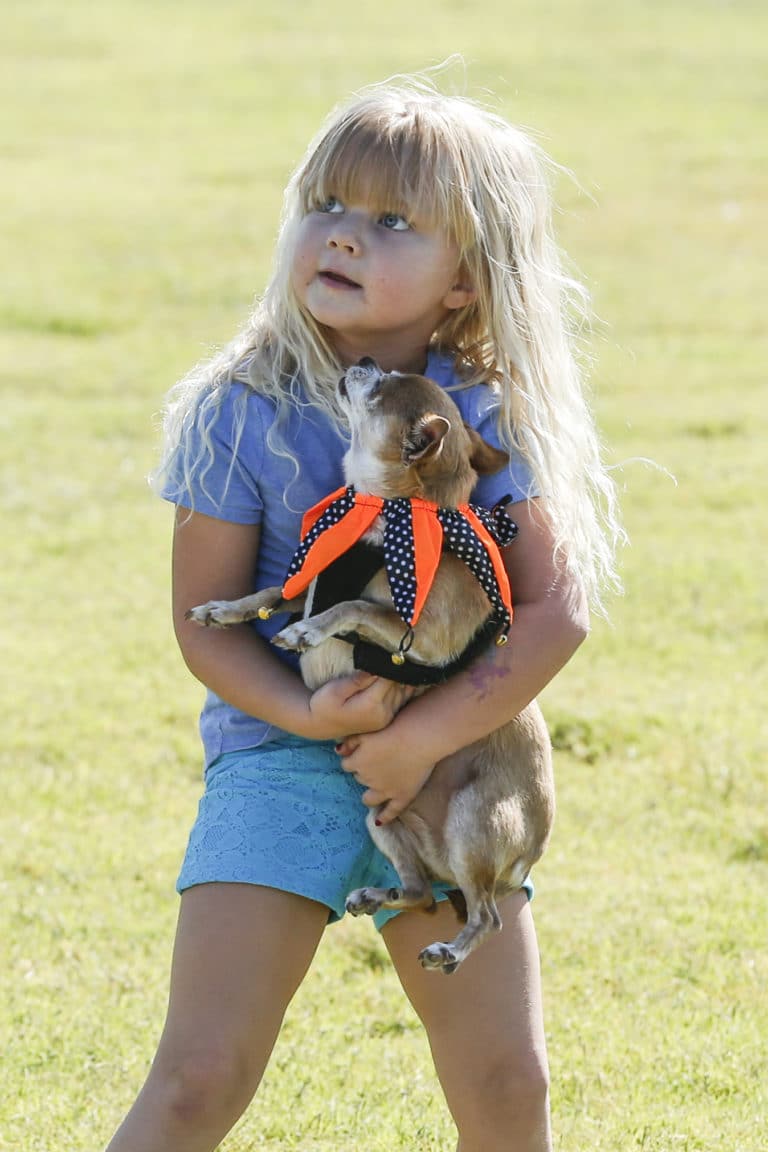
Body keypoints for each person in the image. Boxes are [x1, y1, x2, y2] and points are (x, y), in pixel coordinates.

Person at [106, 72, 622, 1152]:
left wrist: (424, 738)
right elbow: (204, 622)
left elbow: (556, 610)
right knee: (199, 1074)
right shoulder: (237, 411)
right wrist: (308, 721)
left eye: (391, 220)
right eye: (326, 206)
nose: (343, 236)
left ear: (465, 285)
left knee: (506, 1082)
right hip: (279, 756)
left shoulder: (481, 417)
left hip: (458, 771)